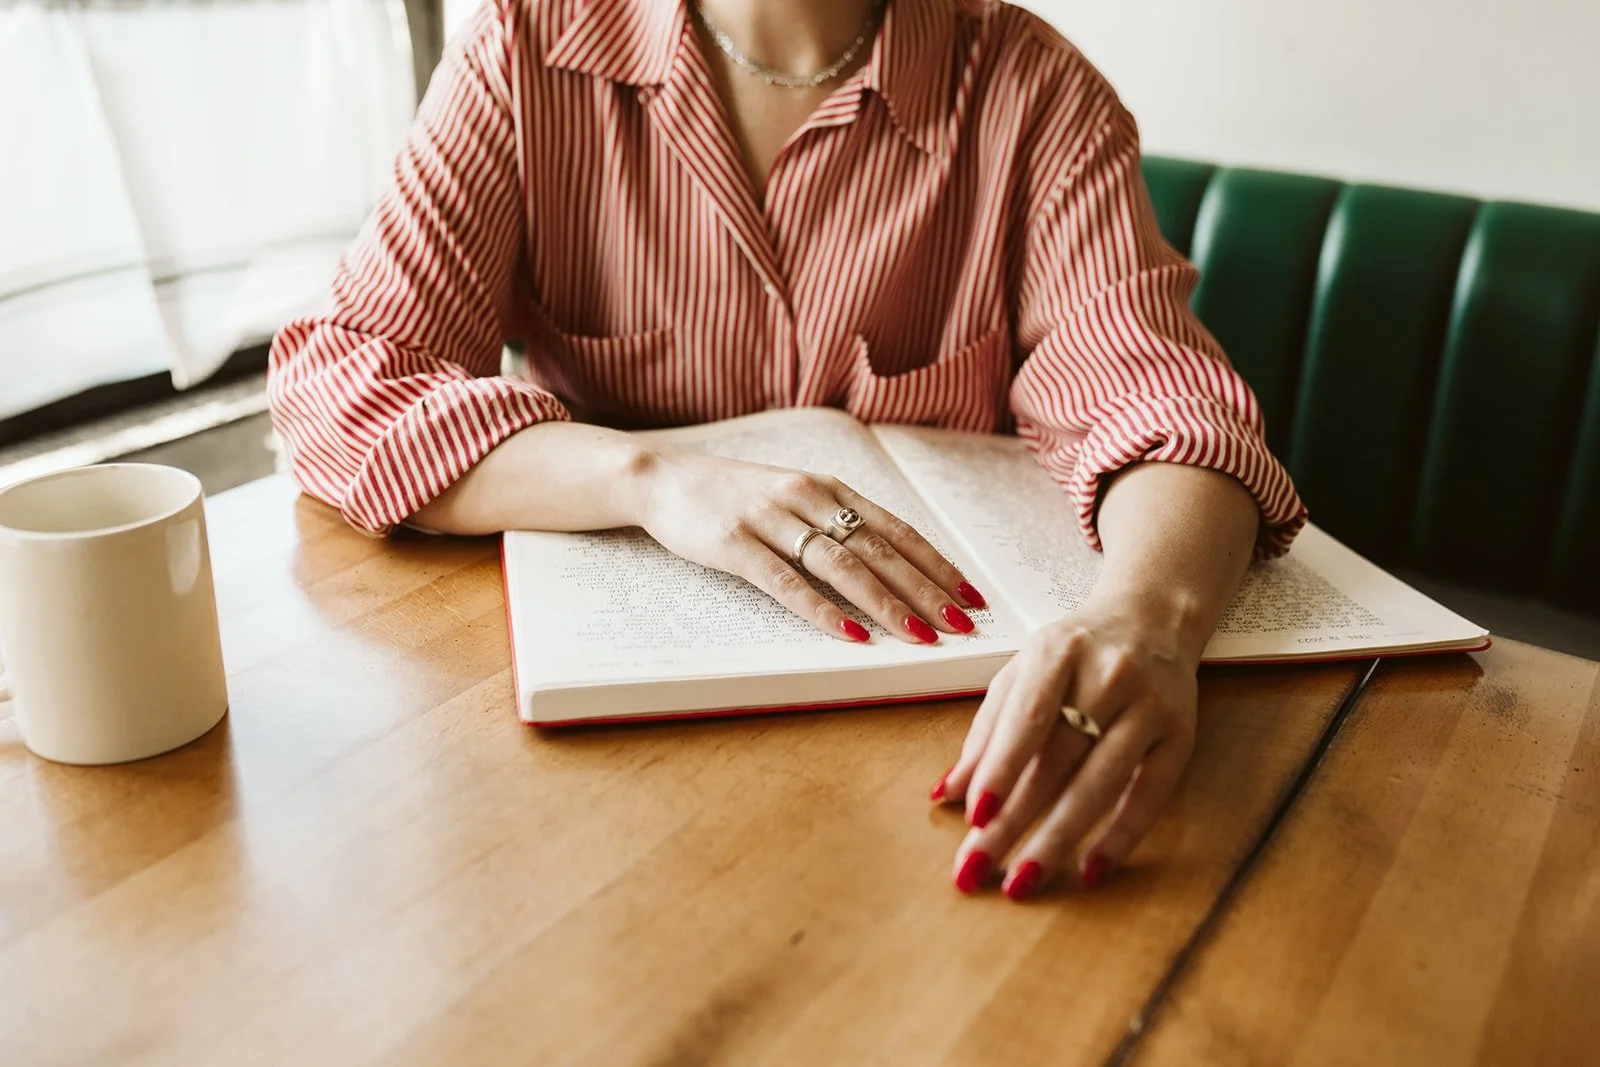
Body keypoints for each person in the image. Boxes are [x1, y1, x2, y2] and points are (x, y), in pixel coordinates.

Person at [268, 0, 1307, 901]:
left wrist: (1149, 618)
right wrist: (652, 477)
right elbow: (342, 382)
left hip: (953, 738)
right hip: (603, 760)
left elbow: (1157, 392)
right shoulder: (526, 49)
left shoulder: (1037, 93)